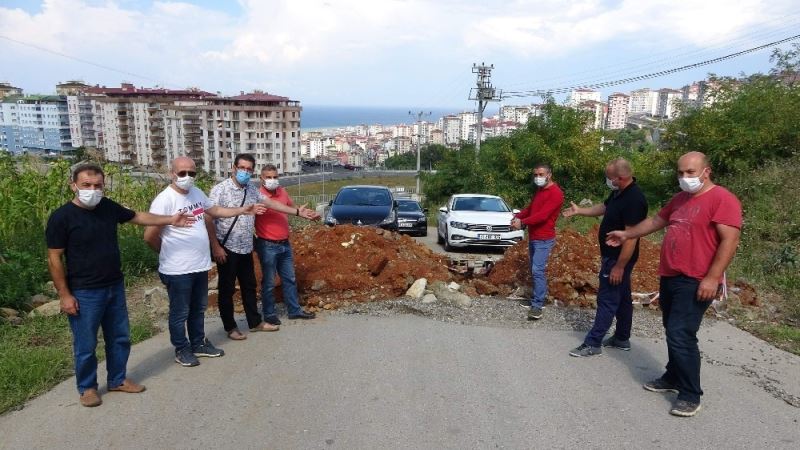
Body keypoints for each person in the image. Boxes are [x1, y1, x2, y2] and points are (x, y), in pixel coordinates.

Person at [46, 163, 196, 407]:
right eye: (86, 185)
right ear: (73, 186)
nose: (92, 190)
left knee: (120, 337)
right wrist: (65, 295)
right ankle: (87, 387)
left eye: (98, 185)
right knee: (86, 343)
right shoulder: (62, 217)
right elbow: (54, 258)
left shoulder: (107, 207)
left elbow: (137, 216)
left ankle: (117, 379)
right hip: (84, 291)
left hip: (114, 285)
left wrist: (171, 219)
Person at [606, 151, 742, 417]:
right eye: (680, 173)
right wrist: (627, 233)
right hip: (671, 275)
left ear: (706, 171)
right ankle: (672, 376)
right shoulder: (681, 199)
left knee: (681, 333)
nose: (684, 178)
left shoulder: (722, 199)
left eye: (690, 173)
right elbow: (657, 221)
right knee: (672, 328)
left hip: (696, 279)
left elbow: (730, 241)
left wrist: (712, 278)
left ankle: (691, 394)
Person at [144, 156, 266, 367]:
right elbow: (149, 236)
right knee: (180, 311)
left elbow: (215, 211)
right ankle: (182, 349)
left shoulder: (196, 193)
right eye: (182, 173)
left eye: (192, 173)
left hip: (199, 265)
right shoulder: (165, 200)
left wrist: (241, 210)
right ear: (172, 174)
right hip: (177, 269)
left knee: (198, 308)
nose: (187, 177)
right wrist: (166, 253)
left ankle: (198, 343)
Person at [207, 155, 319, 340]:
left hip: (246, 246)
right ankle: (231, 327)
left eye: (249, 169)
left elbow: (272, 204)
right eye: (242, 167)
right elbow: (209, 217)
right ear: (234, 168)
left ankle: (255, 322)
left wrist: (298, 212)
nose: (245, 171)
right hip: (227, 246)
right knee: (226, 289)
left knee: (249, 286)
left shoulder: (251, 189)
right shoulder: (220, 190)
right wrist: (215, 246)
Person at [562, 158, 648, 357]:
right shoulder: (619, 192)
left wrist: (619, 266)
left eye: (609, 178)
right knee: (623, 298)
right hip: (612, 255)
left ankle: (593, 343)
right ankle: (621, 338)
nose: (607, 181)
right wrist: (580, 211)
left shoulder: (635, 199)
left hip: (618, 258)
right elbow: (604, 207)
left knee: (607, 299)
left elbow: (631, 237)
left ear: (620, 177)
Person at [255, 164, 318, 326]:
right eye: (268, 177)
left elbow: (292, 208)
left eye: (275, 177)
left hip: (284, 242)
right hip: (267, 244)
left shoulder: (282, 191)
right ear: (261, 178)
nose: (272, 180)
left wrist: (308, 213)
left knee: (289, 278)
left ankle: (294, 310)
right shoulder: (258, 196)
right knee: (269, 281)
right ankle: (269, 314)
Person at [511, 163, 564, 320]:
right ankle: (535, 299)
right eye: (535, 175)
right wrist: (518, 216)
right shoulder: (541, 190)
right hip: (534, 237)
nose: (537, 178)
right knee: (534, 270)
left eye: (540, 174)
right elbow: (532, 209)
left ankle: (537, 306)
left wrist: (523, 222)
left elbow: (542, 216)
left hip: (544, 238)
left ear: (549, 175)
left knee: (537, 270)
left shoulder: (556, 193)